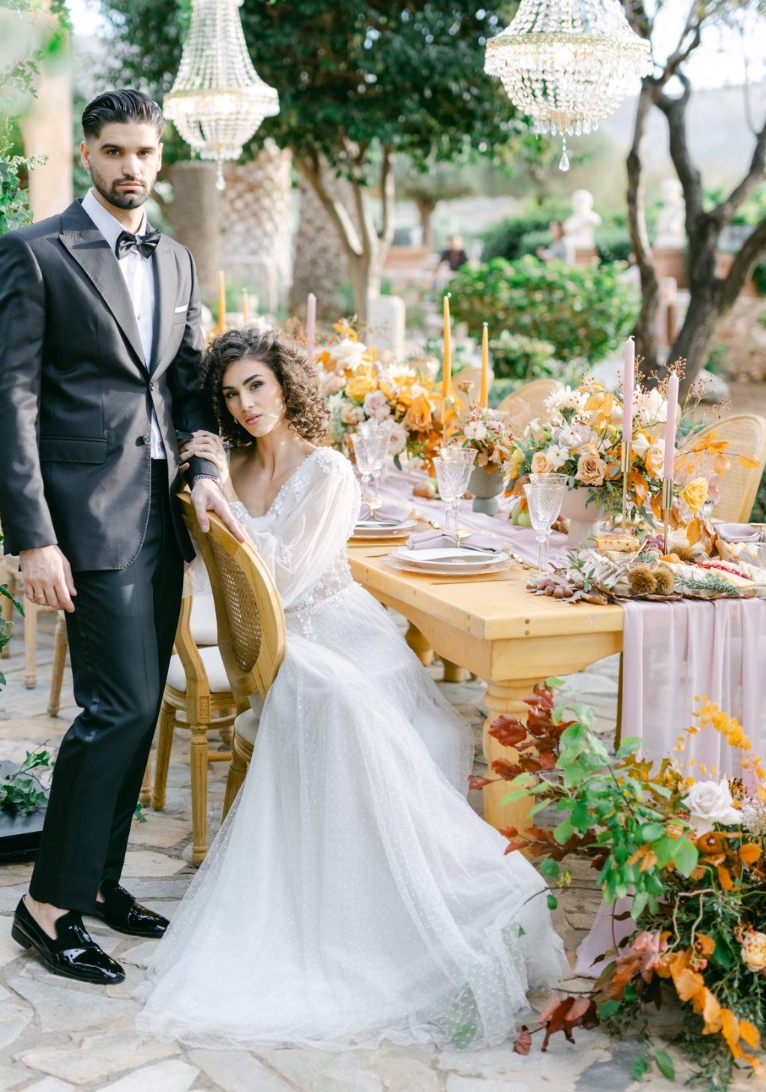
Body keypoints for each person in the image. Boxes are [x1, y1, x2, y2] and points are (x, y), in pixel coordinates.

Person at [137, 327, 566, 1049]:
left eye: (258, 386)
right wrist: (211, 477)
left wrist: (224, 498)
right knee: (332, 700)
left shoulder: (330, 470)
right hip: (278, 646)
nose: (246, 405)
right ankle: (342, 910)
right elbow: (254, 586)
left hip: (346, 634)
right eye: (232, 393)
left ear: (286, 387)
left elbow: (285, 579)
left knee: (389, 715)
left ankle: (423, 898)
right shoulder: (226, 470)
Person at [0, 88, 242, 986]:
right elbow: (6, 403)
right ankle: (46, 908)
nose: (132, 168)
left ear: (160, 156)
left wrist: (205, 469)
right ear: (87, 154)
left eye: (145, 152)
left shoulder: (177, 259)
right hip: (84, 523)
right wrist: (32, 540)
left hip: (163, 522)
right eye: (115, 152)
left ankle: (99, 880)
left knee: (131, 714)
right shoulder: (34, 253)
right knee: (118, 709)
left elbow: (193, 387)